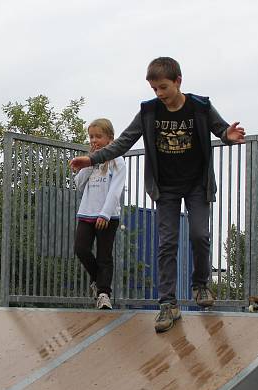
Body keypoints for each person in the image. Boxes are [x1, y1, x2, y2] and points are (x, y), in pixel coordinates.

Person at [70, 57, 245, 332]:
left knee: (199, 234)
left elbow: (221, 128)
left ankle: (200, 286)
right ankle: (167, 304)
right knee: (167, 243)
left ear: (178, 81)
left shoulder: (200, 107)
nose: (159, 94)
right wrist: (91, 160)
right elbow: (123, 142)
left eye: (163, 87)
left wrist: (227, 136)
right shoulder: (149, 111)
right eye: (154, 89)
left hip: (197, 185)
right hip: (166, 188)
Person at [73, 118, 127, 310]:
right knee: (80, 248)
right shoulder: (91, 161)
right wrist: (89, 163)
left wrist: (104, 214)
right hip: (87, 213)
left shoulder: (117, 161)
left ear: (110, 139)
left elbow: (115, 190)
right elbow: (78, 185)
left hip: (107, 217)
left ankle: (104, 294)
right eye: (91, 137)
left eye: (98, 136)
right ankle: (98, 280)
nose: (94, 140)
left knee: (104, 256)